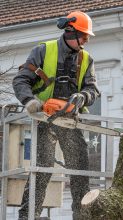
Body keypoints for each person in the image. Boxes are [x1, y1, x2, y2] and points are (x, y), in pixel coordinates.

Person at [13, 11, 100, 220]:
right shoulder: (43, 51)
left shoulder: (86, 59)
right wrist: (30, 102)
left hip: (71, 121)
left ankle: (82, 216)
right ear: (71, 31)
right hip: (46, 118)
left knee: (80, 171)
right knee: (41, 171)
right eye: (84, 36)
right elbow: (20, 80)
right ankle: (28, 216)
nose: (86, 41)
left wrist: (83, 96)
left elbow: (93, 90)